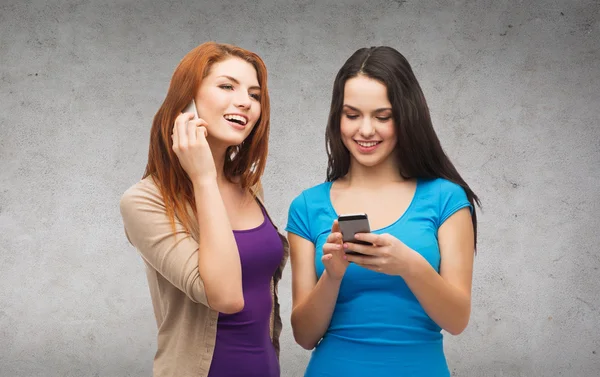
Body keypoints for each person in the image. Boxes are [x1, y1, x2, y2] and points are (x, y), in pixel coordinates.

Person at [286, 46, 480, 377]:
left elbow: (457, 319)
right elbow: (304, 336)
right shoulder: (307, 206)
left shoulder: (446, 199)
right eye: (352, 115)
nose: (365, 130)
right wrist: (332, 276)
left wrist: (409, 266)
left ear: (406, 117)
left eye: (382, 116)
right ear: (338, 117)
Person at [119, 42, 288, 377]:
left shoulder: (249, 186)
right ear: (187, 101)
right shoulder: (144, 202)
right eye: (227, 86)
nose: (245, 101)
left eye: (254, 95)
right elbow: (226, 297)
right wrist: (203, 178)